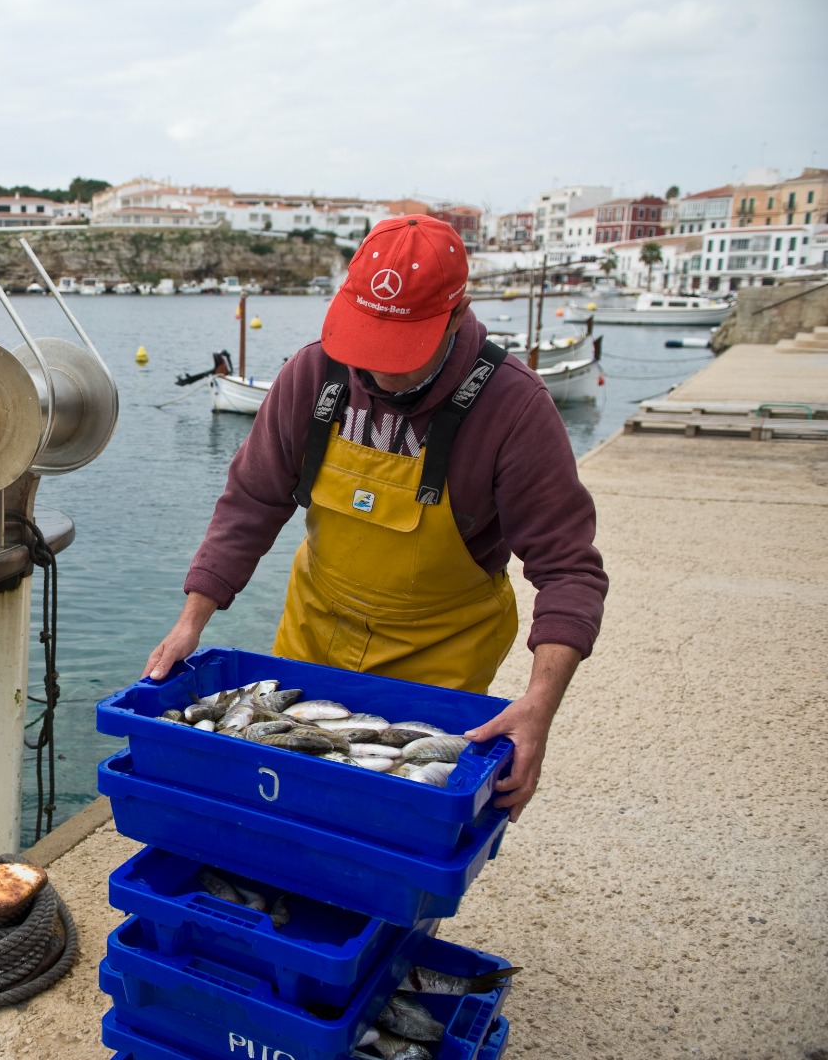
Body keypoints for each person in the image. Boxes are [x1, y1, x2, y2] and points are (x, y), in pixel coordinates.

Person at [145, 216, 606, 821]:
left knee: (391, 826)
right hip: (315, 625)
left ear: (456, 312)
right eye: (366, 344)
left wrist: (540, 705)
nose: (378, 372)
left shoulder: (514, 407)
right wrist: (190, 621)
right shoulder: (313, 374)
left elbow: (569, 568)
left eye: (400, 353)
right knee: (284, 807)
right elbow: (251, 502)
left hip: (440, 651)